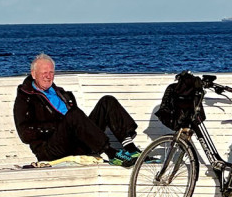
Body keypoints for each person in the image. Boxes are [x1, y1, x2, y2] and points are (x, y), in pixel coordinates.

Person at [13, 54, 142, 166]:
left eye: (51, 72)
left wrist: (74, 125)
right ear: (34, 74)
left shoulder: (61, 93)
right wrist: (59, 125)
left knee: (107, 101)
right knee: (73, 115)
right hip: (49, 148)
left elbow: (78, 121)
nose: (48, 76)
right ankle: (111, 153)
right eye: (44, 73)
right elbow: (25, 134)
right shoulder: (26, 98)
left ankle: (131, 149)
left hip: (75, 142)